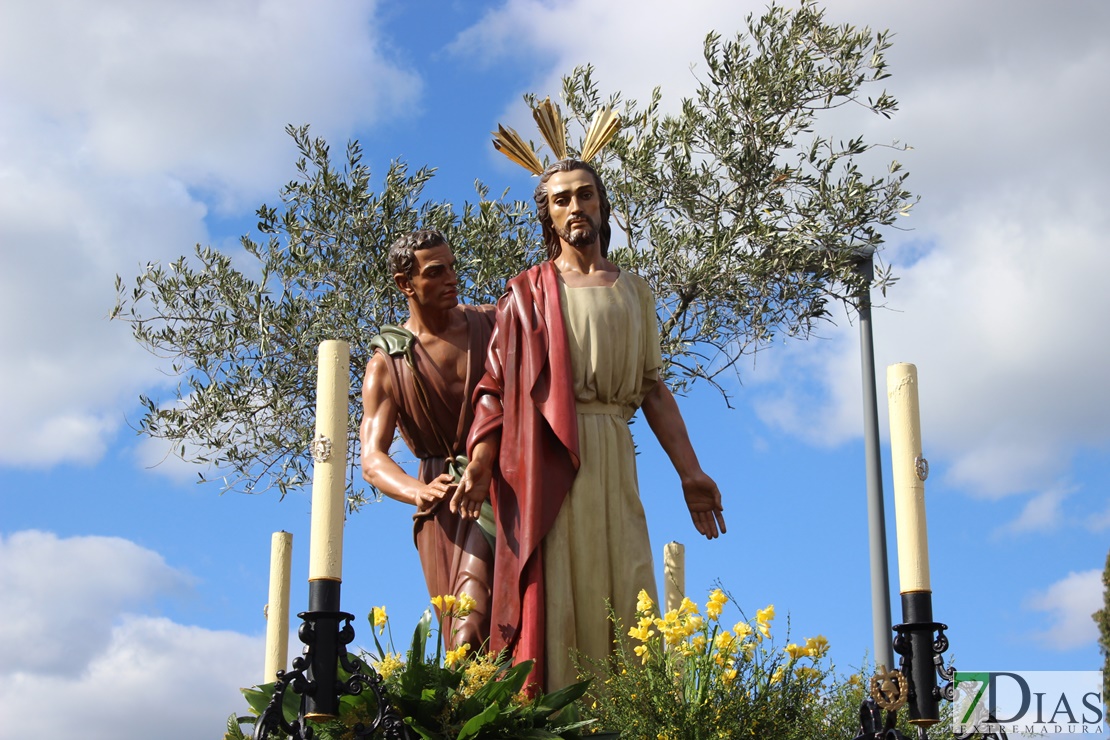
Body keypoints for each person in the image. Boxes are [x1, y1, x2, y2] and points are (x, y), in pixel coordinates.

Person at [451, 160, 726, 690]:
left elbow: (651, 388)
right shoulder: (526, 294)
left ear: (602, 204)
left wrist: (689, 472)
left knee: (626, 580)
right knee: (558, 587)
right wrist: (482, 459)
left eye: (584, 195)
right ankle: (558, 709)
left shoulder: (635, 292)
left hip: (613, 454)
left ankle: (625, 712)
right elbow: (493, 385)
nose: (574, 207)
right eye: (561, 200)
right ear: (548, 217)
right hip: (549, 456)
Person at [360, 229, 496, 650]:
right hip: (442, 500)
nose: (452, 278)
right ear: (406, 284)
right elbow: (372, 458)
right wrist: (418, 490)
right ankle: (478, 713)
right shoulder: (388, 363)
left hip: (499, 484)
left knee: (476, 622)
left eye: (453, 267)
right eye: (436, 272)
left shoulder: (492, 324)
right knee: (459, 628)